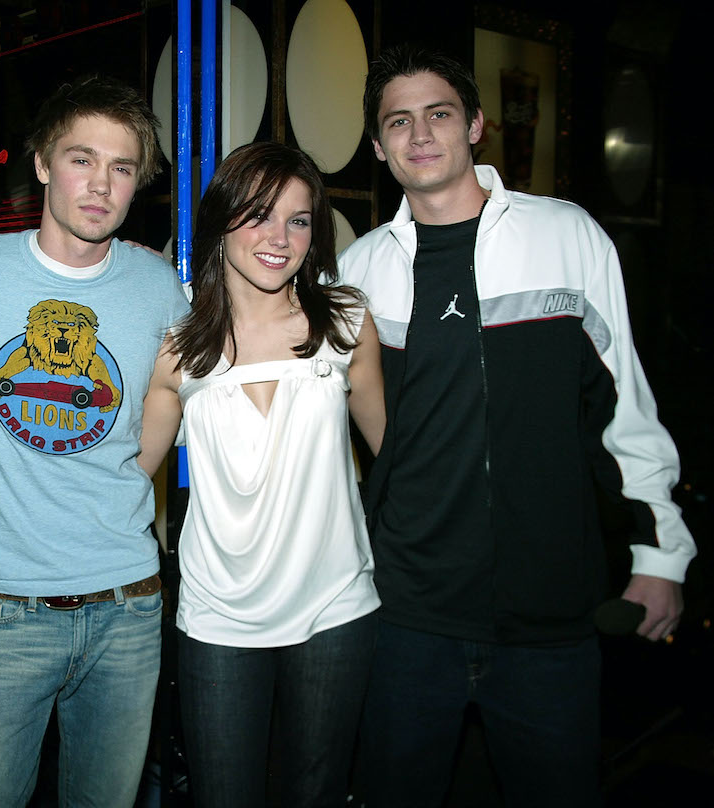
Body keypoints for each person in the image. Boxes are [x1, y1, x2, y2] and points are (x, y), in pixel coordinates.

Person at [337, 44, 697, 807]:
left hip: (549, 615)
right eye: (397, 121)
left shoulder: (565, 236)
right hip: (405, 614)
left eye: (438, 113)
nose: (419, 134)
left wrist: (659, 552)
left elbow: (621, 406)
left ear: (475, 124)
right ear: (376, 145)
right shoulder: (359, 272)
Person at [0, 75, 189, 807]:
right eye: (82, 159)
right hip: (4, 607)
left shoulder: (157, 285)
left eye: (122, 167)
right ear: (43, 164)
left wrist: (115, 481)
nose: (101, 184)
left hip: (128, 606)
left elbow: (163, 406)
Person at [138, 141, 385, 807]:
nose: (279, 238)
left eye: (298, 220)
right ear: (221, 221)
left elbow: (395, 458)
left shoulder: (346, 322)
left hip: (335, 605)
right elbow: (127, 477)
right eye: (258, 215)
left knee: (317, 795)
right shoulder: (178, 350)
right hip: (218, 615)